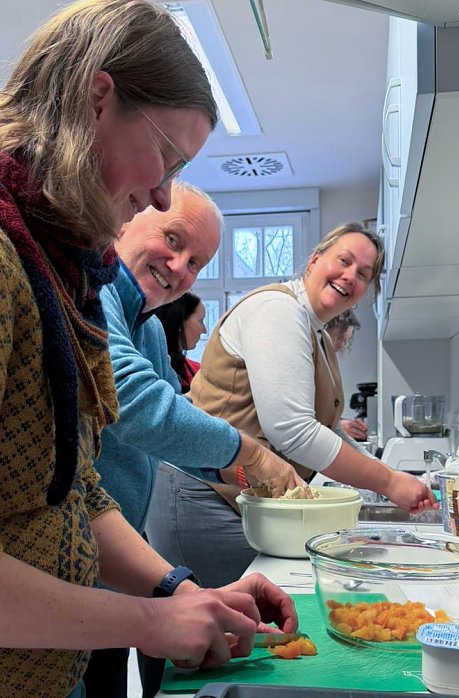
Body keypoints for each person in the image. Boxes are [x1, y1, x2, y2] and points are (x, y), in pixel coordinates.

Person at [0, 3, 298, 697]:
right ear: (95, 97)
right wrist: (145, 621)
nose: (163, 192)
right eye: (166, 155)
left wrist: (173, 590)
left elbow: (73, 487)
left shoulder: (55, 272)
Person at [86, 181, 307, 697]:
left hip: (112, 558)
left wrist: (238, 469)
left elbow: (173, 414)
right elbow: (134, 403)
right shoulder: (93, 292)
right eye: (173, 238)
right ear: (129, 217)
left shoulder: (142, 324)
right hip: (77, 563)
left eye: (198, 263)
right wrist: (244, 451)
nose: (181, 267)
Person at [146, 223, 438, 588]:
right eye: (343, 261)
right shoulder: (277, 310)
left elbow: (325, 429)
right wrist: (389, 481)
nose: (349, 276)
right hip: (200, 494)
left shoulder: (315, 333)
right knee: (214, 629)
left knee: (238, 625)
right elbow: (293, 431)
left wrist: (379, 475)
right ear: (314, 261)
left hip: (238, 495)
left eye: (363, 274)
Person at [325, 309, 369, 441]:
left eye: (346, 341)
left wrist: (342, 425)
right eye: (340, 338)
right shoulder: (307, 360)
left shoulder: (327, 363)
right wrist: (338, 426)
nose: (343, 345)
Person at [155, 291, 206, 393]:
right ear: (179, 322)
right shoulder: (151, 370)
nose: (204, 330)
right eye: (200, 321)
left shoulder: (198, 371)